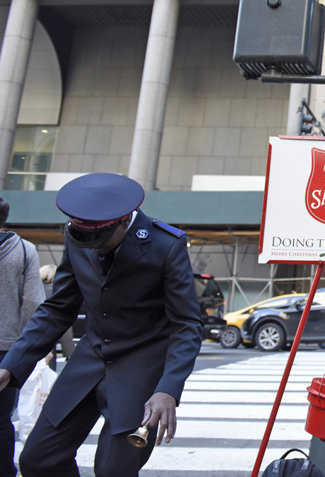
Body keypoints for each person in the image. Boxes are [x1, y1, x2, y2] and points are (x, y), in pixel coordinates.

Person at [0, 173, 204, 477]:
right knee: (38, 459)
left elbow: (186, 324)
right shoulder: (80, 236)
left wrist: (169, 389)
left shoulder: (166, 245)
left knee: (113, 470)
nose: (93, 248)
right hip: (87, 364)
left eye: (100, 242)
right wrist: (11, 365)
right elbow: (58, 308)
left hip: (140, 373)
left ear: (123, 222)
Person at [0, 196, 45, 477]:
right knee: (2, 420)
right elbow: (33, 303)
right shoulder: (25, 250)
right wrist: (27, 348)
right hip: (7, 350)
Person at [39, 264, 75, 366]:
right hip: (48, 347)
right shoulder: (56, 293)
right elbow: (63, 324)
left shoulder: (30, 291)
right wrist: (69, 352)